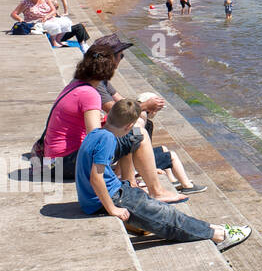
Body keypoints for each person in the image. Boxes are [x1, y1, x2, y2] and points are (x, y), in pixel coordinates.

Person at [76, 99, 250, 251]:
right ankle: (218, 235)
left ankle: (212, 227)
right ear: (129, 126)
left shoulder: (97, 133)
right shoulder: (108, 140)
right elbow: (95, 177)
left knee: (160, 209)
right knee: (166, 218)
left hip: (112, 192)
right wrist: (112, 208)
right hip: (111, 198)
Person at [40, 48, 184, 203]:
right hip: (62, 164)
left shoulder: (76, 86)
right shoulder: (90, 94)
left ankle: (130, 180)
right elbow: (94, 137)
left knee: (127, 133)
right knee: (136, 135)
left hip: (54, 162)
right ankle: (155, 191)